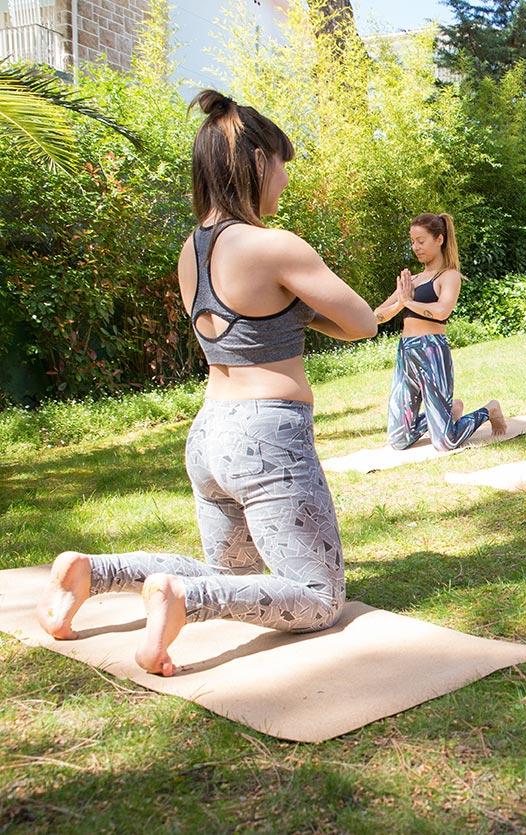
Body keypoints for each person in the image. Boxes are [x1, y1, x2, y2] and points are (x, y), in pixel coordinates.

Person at [34, 90, 380, 675]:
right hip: (270, 435)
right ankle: (186, 599)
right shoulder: (275, 246)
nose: (285, 182)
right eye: (282, 165)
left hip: (210, 434)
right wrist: (302, 308)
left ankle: (96, 572)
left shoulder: (190, 250)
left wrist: (288, 308)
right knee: (319, 598)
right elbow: (361, 322)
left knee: (236, 576)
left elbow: (245, 321)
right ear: (255, 162)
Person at [373, 213, 507, 451]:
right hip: (406, 353)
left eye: (421, 241)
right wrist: (400, 302)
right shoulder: (410, 281)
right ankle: (451, 411)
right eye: (412, 241)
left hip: (432, 350)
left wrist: (409, 302)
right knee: (398, 440)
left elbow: (442, 311)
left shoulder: (449, 276)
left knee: (446, 443)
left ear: (439, 239)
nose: (415, 247)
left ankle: (490, 409)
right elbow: (377, 315)